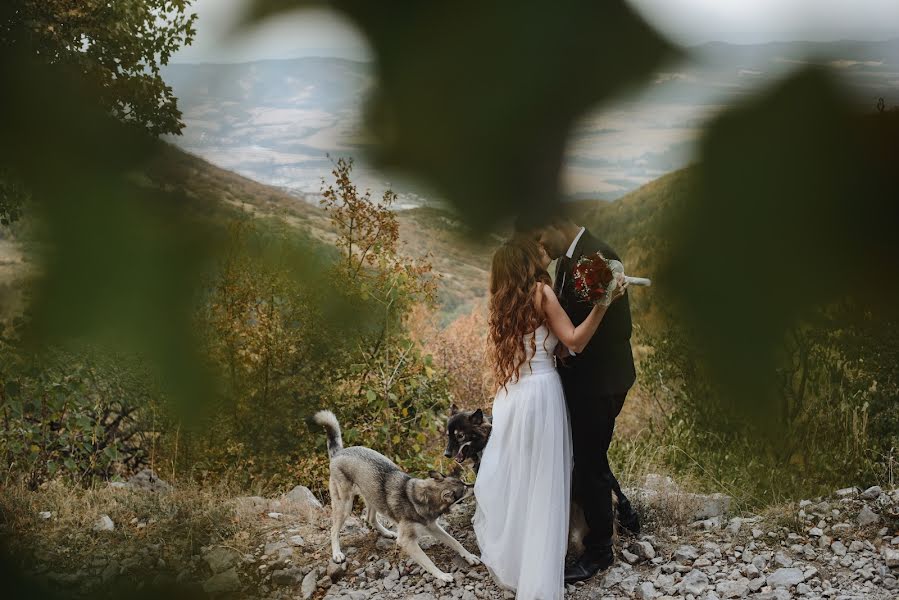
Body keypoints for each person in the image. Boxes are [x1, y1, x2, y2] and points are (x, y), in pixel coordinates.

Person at [473, 236, 626, 599]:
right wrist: (603, 304)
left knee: (520, 481)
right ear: (527, 263)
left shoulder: (502, 303)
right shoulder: (541, 293)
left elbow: (540, 345)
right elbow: (574, 341)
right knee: (543, 482)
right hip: (541, 395)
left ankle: (517, 561)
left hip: (511, 397)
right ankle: (538, 570)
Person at [532, 217, 641, 583]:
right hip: (582, 381)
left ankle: (599, 552)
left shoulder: (600, 256)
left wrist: (570, 348)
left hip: (601, 382)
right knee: (588, 452)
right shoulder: (566, 259)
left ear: (559, 222)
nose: (541, 244)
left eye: (541, 234)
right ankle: (622, 508)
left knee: (589, 461)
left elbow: (620, 329)